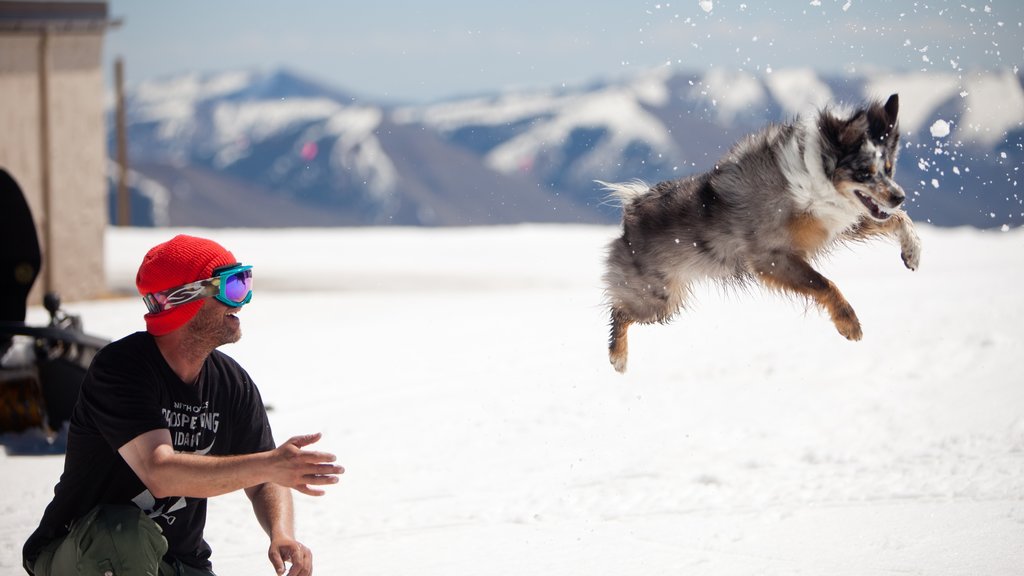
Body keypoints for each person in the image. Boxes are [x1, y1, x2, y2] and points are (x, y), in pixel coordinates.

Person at [23, 234, 343, 576]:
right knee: (121, 536)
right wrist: (270, 464)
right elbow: (159, 472)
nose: (242, 301)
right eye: (232, 286)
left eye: (245, 283)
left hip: (176, 562)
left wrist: (281, 532)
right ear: (184, 297)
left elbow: (266, 479)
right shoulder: (120, 369)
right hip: (79, 551)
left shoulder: (231, 382)